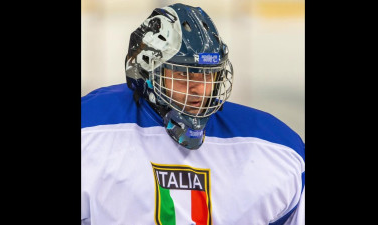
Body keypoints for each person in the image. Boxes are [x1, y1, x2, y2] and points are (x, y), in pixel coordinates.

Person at [81, 3, 305, 225]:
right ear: (146, 71)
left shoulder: (279, 150)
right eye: (181, 74)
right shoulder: (91, 130)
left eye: (207, 75)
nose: (198, 89)